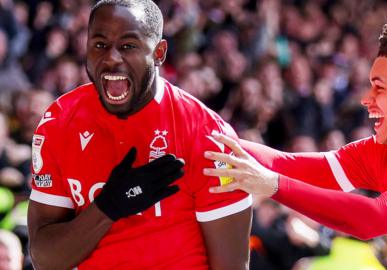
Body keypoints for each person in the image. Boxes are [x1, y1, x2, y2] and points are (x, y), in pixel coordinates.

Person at [204, 17, 387, 270]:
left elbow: (374, 219)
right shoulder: (386, 151)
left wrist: (271, 184)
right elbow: (288, 165)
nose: (366, 98)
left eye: (379, 88)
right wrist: (204, 138)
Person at [27, 1, 252, 269]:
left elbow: (232, 266)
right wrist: (108, 207)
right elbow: (45, 258)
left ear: (159, 52)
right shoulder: (59, 122)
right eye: (99, 45)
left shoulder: (207, 136)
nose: (111, 58)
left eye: (128, 46)